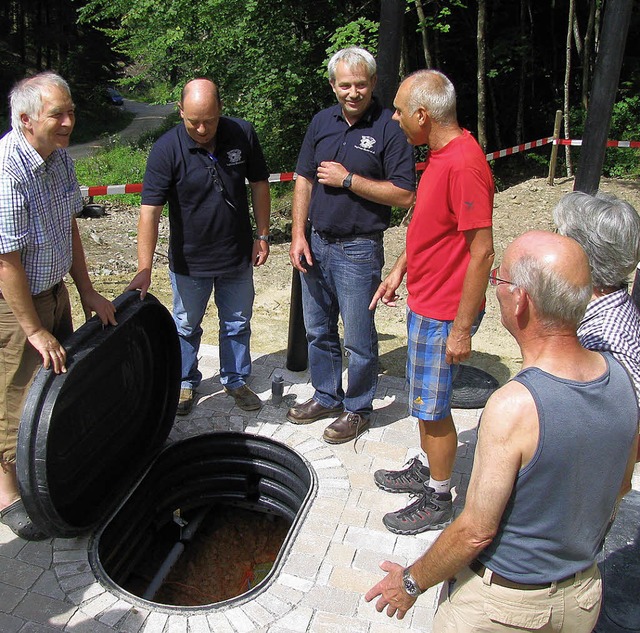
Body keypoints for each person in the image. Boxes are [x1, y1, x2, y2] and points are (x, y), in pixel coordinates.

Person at [365, 230, 639, 632]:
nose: (495, 287)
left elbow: (475, 532)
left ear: (521, 299)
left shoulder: (515, 405)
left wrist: (410, 582)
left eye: (500, 279)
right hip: (581, 599)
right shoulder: (622, 379)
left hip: (505, 610)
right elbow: (618, 487)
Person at [369, 69, 494, 533]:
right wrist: (399, 270)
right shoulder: (441, 155)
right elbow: (430, 227)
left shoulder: (464, 164)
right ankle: (428, 466)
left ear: (423, 115)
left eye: (400, 111)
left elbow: (482, 251)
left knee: (432, 407)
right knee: (424, 399)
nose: (396, 118)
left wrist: (461, 329)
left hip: (445, 313)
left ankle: (438, 497)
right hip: (427, 301)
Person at [0, 72, 117, 540]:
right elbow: (5, 260)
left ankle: (45, 464)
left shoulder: (59, 159)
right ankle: (7, 490)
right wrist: (32, 329)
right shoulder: (7, 170)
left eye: (71, 112)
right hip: (13, 305)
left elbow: (69, 226)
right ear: (26, 120)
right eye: (58, 115)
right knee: (14, 393)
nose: (69, 122)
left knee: (54, 385)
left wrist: (86, 289)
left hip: (53, 291)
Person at [287, 47, 415, 444]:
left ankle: (358, 408)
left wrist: (348, 180)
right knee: (317, 331)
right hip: (315, 243)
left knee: (358, 338)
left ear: (374, 83)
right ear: (333, 85)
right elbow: (304, 179)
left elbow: (404, 195)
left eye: (361, 84)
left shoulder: (390, 128)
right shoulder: (321, 122)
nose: (353, 92)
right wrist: (297, 234)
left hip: (358, 250)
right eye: (345, 85)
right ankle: (326, 395)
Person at [127, 78, 271, 415]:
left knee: (237, 323)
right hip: (189, 262)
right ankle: (184, 383)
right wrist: (144, 268)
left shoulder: (242, 134)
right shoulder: (166, 149)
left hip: (236, 256)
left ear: (221, 108)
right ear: (180, 112)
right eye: (193, 121)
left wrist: (262, 235)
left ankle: (235, 380)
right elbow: (150, 211)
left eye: (209, 119)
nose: (202, 128)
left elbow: (260, 183)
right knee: (186, 325)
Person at [553, 191, 640, 400]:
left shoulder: (602, 341)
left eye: (558, 234)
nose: (552, 241)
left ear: (582, 253)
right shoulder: (610, 305)